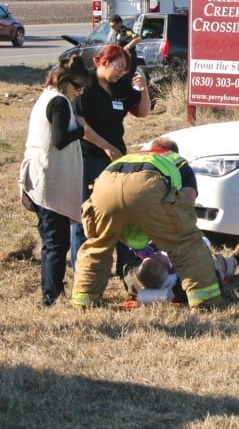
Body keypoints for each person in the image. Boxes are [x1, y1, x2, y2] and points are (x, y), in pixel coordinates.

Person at [71, 138, 223, 308]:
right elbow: (186, 205)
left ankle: (83, 301)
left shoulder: (130, 158)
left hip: (104, 187)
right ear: (173, 152)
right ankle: (205, 301)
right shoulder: (177, 162)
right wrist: (167, 233)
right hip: (147, 186)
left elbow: (120, 211)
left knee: (98, 245)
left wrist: (133, 241)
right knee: (186, 242)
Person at [19, 56, 100, 305]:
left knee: (51, 241)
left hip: (41, 175)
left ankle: (50, 290)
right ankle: (50, 296)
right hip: (49, 180)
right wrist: (82, 128)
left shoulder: (47, 96)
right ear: (66, 82)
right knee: (57, 242)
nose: (79, 92)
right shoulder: (59, 102)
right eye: (78, 87)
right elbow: (59, 139)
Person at [69, 45, 150, 271]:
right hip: (89, 155)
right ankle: (82, 267)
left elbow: (142, 112)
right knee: (87, 212)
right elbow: (81, 125)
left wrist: (143, 91)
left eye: (124, 69)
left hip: (116, 157)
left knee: (119, 208)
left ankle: (126, 265)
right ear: (103, 62)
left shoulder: (121, 86)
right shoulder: (85, 85)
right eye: (118, 67)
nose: (121, 72)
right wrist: (106, 147)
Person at [121, 236, 239, 305]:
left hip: (156, 274)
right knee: (216, 264)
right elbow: (211, 281)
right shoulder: (185, 283)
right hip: (205, 270)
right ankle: (235, 260)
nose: (158, 254)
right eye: (159, 256)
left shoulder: (134, 278)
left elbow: (127, 269)